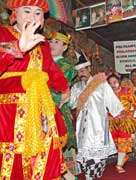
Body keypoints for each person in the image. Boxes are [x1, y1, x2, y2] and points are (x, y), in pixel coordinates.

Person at [0, 0, 70, 179]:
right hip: (10, 112)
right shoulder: (2, 34)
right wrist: (17, 48)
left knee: (45, 153)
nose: (33, 17)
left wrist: (64, 87)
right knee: (14, 154)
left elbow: (51, 69)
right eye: (27, 11)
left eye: (38, 13)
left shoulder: (43, 43)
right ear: (15, 12)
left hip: (41, 106)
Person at [70, 52, 124, 180]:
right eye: (78, 71)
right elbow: (71, 105)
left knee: (96, 157)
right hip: (82, 127)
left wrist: (120, 116)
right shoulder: (76, 87)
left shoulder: (100, 84)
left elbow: (113, 103)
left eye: (83, 70)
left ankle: (92, 176)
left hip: (98, 126)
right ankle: (89, 176)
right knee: (84, 156)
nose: (81, 73)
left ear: (89, 69)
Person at [49, 31, 78, 179]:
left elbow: (57, 88)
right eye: (51, 41)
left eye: (56, 42)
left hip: (56, 109)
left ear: (65, 47)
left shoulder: (66, 65)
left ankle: (67, 175)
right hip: (41, 105)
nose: (51, 44)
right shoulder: (42, 62)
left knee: (57, 144)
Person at [107, 73, 136, 173]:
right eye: (110, 83)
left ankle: (119, 165)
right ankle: (123, 156)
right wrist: (106, 116)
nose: (112, 85)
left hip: (124, 121)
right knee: (114, 142)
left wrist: (133, 115)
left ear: (119, 82)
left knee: (123, 141)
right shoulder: (107, 94)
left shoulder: (126, 91)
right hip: (112, 122)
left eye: (114, 82)